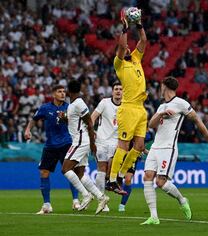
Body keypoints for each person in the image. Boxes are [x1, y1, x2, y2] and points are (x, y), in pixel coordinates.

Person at [141, 76, 208, 225]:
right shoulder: (162, 106)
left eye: (161, 87)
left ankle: (182, 200)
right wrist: (161, 114)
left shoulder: (181, 103)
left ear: (164, 87)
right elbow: (151, 123)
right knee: (147, 177)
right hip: (155, 147)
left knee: (161, 182)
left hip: (168, 148)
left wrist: (207, 137)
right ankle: (154, 217)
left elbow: (196, 120)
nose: (160, 89)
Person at [106, 9, 148, 194]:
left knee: (138, 146)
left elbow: (144, 41)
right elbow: (122, 47)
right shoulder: (120, 63)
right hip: (128, 108)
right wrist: (125, 29)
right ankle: (112, 180)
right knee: (123, 145)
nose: (129, 48)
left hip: (141, 109)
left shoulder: (136, 59)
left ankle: (121, 175)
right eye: (126, 49)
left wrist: (138, 25)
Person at [24, 84, 79, 214]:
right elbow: (34, 119)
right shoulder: (45, 108)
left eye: (64, 92)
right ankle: (47, 204)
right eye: (59, 92)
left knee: (70, 173)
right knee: (44, 172)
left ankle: (76, 201)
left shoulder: (69, 108)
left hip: (67, 144)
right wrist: (27, 130)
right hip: (50, 146)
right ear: (53, 94)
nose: (63, 94)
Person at [61, 79, 109, 215]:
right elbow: (75, 121)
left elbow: (88, 120)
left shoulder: (79, 103)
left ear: (69, 91)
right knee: (80, 173)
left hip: (80, 140)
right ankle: (102, 197)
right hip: (80, 140)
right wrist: (64, 118)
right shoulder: (73, 105)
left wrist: (93, 144)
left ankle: (86, 195)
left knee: (65, 169)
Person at [90, 81, 123, 212]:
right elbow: (93, 117)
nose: (118, 91)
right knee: (101, 168)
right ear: (112, 91)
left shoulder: (126, 106)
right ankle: (102, 200)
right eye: (116, 89)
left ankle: (98, 192)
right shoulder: (104, 102)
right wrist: (91, 132)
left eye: (120, 89)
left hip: (116, 143)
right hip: (102, 141)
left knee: (109, 172)